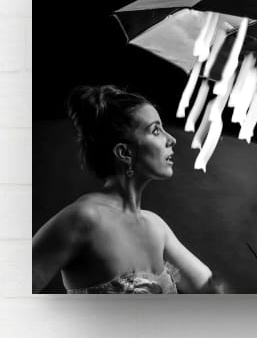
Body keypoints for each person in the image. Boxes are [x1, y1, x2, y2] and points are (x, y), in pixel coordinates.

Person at [32, 85, 224, 294]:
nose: (171, 139)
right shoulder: (85, 218)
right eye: (156, 130)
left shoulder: (156, 226)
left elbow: (209, 289)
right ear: (124, 152)